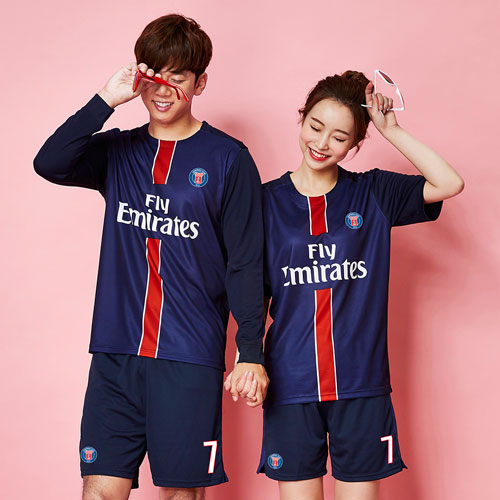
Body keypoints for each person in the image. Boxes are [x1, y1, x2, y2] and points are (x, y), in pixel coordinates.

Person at [34, 14, 268, 500]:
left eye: (177, 76)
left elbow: (246, 263)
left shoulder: (229, 159)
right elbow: (49, 162)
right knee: (98, 489)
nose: (163, 89)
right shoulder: (118, 152)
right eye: (154, 74)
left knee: (181, 495)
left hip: (188, 356)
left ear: (200, 83)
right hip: (116, 352)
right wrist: (105, 100)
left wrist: (250, 350)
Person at [228, 71, 464, 500]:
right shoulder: (263, 203)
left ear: (355, 145)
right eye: (315, 127)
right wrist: (249, 356)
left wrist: (392, 131)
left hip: (361, 382)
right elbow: (252, 291)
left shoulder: (374, 192)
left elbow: (449, 183)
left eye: (339, 137)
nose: (322, 143)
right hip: (291, 383)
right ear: (301, 119)